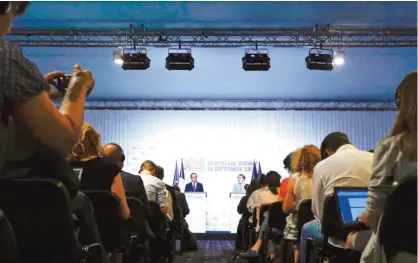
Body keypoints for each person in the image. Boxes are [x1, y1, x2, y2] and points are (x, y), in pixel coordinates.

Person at [0, 2, 94, 179]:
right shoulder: (5, 55)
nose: (10, 29)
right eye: (14, 12)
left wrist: (26, 93)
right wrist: (78, 88)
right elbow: (62, 140)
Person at [346, 71, 417, 263]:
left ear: (401, 105)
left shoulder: (391, 147)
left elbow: (373, 216)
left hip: (402, 249)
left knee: (353, 240)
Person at [299, 132, 373, 263]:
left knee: (306, 229)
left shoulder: (322, 166)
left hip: (336, 235)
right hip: (371, 231)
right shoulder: (373, 159)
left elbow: (318, 210)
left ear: (327, 151)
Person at [69, 124, 131, 220]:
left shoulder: (63, 168)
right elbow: (124, 213)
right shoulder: (111, 169)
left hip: (70, 231)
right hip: (105, 231)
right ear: (96, 142)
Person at [283, 145, 322, 263]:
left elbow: (286, 208)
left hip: (299, 226)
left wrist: (300, 208)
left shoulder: (294, 178)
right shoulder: (324, 174)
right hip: (322, 224)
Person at [240, 171, 282, 258]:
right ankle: (272, 255)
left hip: (263, 226)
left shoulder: (259, 193)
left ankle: (258, 247)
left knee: (267, 217)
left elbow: (250, 209)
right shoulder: (284, 194)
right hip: (283, 226)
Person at [102, 143, 150, 216]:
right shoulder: (136, 180)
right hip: (132, 226)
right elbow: (146, 211)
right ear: (122, 159)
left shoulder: (92, 180)